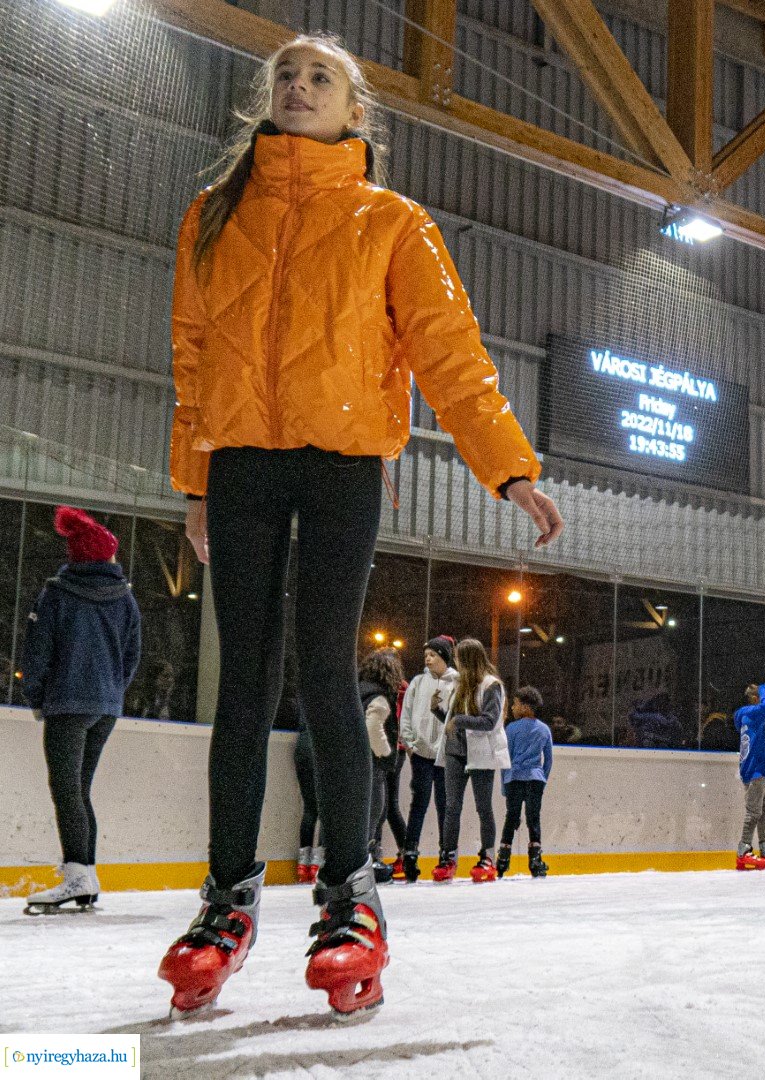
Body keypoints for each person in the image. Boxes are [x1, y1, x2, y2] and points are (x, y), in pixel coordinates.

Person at [157, 34, 563, 1019]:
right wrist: (195, 482)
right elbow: (192, 355)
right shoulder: (213, 216)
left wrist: (508, 467)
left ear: (355, 111)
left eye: (320, 77)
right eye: (286, 75)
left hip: (343, 466)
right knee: (242, 684)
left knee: (326, 675)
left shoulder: (391, 221)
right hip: (241, 462)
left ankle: (350, 898)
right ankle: (225, 901)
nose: (298, 86)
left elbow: (449, 352)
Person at [19, 507, 142, 915]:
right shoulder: (125, 598)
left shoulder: (57, 594)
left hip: (67, 704)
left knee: (66, 790)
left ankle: (77, 875)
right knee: (80, 790)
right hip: (105, 708)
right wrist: (111, 693)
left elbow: (37, 650)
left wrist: (36, 697)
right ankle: (86, 874)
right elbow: (131, 656)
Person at [434, 639, 510, 884]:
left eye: (458, 657)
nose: (455, 662)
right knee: (451, 807)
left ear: (468, 659)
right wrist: (438, 711)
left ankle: (487, 857)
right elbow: (454, 721)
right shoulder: (459, 685)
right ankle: (448, 857)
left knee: (483, 807)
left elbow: (489, 721)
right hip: (455, 751)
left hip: (481, 753)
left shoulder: (491, 685)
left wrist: (459, 721)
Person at [398, 636, 456, 882]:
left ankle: (446, 854)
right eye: (426, 655)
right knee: (419, 803)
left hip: (445, 755)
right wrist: (410, 744)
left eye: (433, 654)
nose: (428, 659)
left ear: (444, 656)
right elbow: (406, 714)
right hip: (421, 753)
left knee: (445, 804)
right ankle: (410, 852)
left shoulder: (457, 682)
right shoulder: (418, 682)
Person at [358, 648, 407, 884]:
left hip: (354, 760)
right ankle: (367, 860)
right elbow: (373, 728)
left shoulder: (359, 690)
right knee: (375, 809)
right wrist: (386, 752)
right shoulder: (379, 698)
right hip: (372, 762)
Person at [499, 686, 552, 879]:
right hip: (535, 780)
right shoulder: (544, 729)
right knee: (533, 819)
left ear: (526, 706)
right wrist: (542, 779)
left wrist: (504, 784)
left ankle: (503, 859)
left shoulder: (511, 729)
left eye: (515, 704)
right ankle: (535, 861)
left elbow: (506, 760)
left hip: (514, 779)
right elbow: (548, 760)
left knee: (511, 817)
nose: (513, 707)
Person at [733, 683, 765, 871]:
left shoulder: (747, 717)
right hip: (755, 769)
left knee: (763, 811)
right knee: (754, 812)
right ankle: (743, 850)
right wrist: (764, 687)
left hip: (754, 767)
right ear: (756, 699)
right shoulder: (754, 712)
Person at [293, 716, 322, 883]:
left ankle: (303, 863)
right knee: (326, 808)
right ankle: (318, 862)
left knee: (310, 808)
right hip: (319, 748)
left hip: (302, 747)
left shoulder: (304, 703)